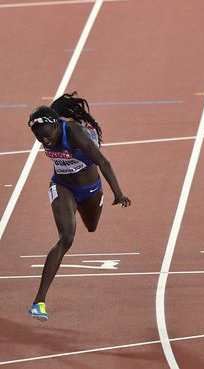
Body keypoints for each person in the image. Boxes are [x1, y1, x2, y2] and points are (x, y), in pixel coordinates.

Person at [27, 93, 131, 321]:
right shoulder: (47, 133)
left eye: (47, 136)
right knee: (66, 238)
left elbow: (103, 161)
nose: (46, 142)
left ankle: (98, 201)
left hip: (90, 189)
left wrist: (118, 192)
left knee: (92, 227)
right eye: (40, 139)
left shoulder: (73, 132)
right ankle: (39, 302)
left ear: (56, 125)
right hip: (62, 186)